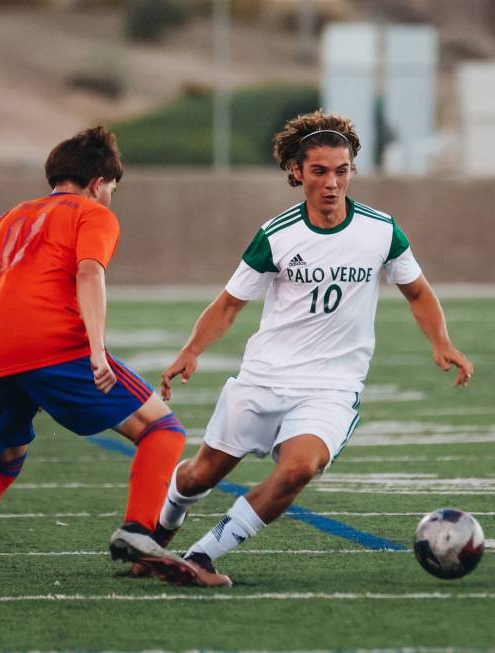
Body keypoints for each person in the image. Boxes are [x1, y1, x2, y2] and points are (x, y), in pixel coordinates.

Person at [149, 110, 474, 587]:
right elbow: (229, 304)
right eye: (319, 171)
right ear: (297, 172)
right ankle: (155, 541)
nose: (331, 183)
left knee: (299, 468)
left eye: (341, 171)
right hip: (264, 377)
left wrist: (441, 342)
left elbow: (418, 292)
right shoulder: (276, 235)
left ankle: (201, 556)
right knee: (200, 475)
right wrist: (191, 349)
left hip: (332, 387)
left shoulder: (381, 230)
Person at [0, 126, 199, 601]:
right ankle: (136, 530)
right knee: (163, 430)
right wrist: (93, 348)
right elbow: (89, 271)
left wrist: (16, 371)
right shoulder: (91, 213)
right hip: (57, 348)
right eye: (111, 187)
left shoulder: (7, 219)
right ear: (97, 182)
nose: (110, 197)